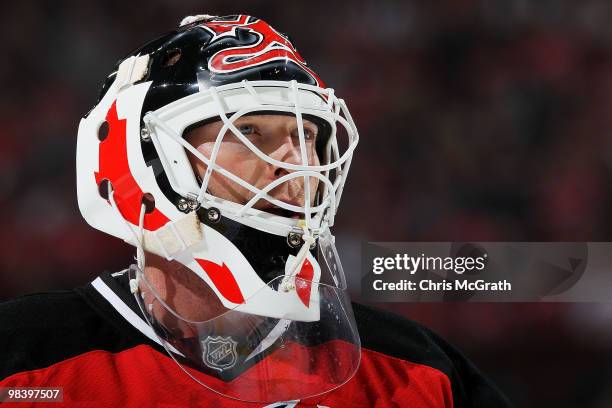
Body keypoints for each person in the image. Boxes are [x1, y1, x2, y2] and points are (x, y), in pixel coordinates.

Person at [0, 14, 512, 407]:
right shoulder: (24, 360)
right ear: (145, 162)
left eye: (305, 136)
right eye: (246, 131)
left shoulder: (419, 372)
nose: (295, 163)